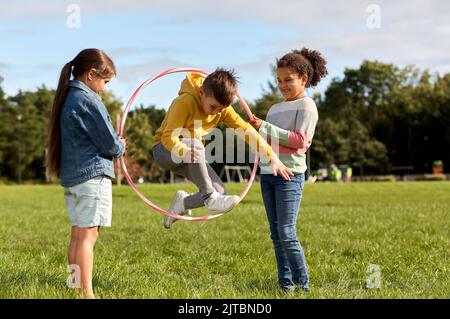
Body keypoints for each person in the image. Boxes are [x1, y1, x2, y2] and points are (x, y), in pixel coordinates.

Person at [152, 68, 293, 229]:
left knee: (220, 191)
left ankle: (182, 202)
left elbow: (245, 130)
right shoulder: (184, 102)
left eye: (220, 109)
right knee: (197, 148)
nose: (217, 112)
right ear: (201, 92)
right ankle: (210, 198)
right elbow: (168, 137)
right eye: (213, 107)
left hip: (190, 155)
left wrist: (271, 156)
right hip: (165, 151)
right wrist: (184, 151)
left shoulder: (222, 109)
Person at [46, 48, 126, 298]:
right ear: (91, 74)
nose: (104, 88)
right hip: (91, 176)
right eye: (105, 81)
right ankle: (87, 294)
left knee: (78, 235)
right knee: (87, 237)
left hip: (73, 177)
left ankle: (75, 287)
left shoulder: (69, 96)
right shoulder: (89, 100)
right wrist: (121, 144)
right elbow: (110, 144)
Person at [250, 48, 328, 292]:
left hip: (289, 176)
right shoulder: (274, 109)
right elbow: (268, 142)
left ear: (303, 79)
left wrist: (265, 127)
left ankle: (302, 285)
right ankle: (286, 285)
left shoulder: (307, 106)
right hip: (268, 175)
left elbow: (300, 142)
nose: (282, 85)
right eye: (279, 81)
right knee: (276, 234)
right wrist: (256, 131)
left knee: (286, 231)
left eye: (288, 80)